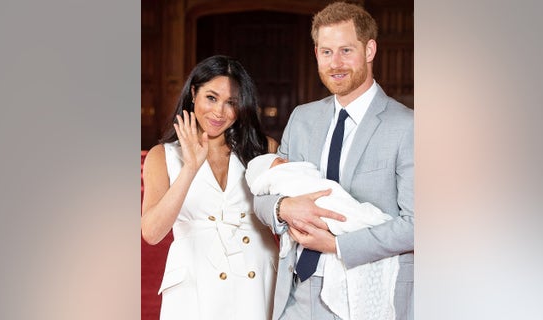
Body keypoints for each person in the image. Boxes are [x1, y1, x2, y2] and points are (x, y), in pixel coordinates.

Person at [253, 2, 414, 320]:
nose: (335, 63)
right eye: (326, 52)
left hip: (365, 295)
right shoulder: (302, 118)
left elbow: (417, 225)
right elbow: (263, 196)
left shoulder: (407, 126)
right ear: (316, 54)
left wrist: (337, 245)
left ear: (369, 50)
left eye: (346, 50)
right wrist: (283, 208)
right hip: (296, 292)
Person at [141, 55, 279, 320]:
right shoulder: (163, 156)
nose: (219, 112)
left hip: (257, 281)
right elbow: (153, 232)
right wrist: (190, 167)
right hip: (194, 287)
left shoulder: (265, 149)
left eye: (231, 103)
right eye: (211, 98)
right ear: (194, 93)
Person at [246, 153, 399, 319]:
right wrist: (283, 207)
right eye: (280, 162)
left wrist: (337, 245)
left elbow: (413, 225)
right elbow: (261, 199)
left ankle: (364, 219)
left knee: (349, 214)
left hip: (348, 279)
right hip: (295, 288)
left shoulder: (403, 131)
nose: (286, 161)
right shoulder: (296, 128)